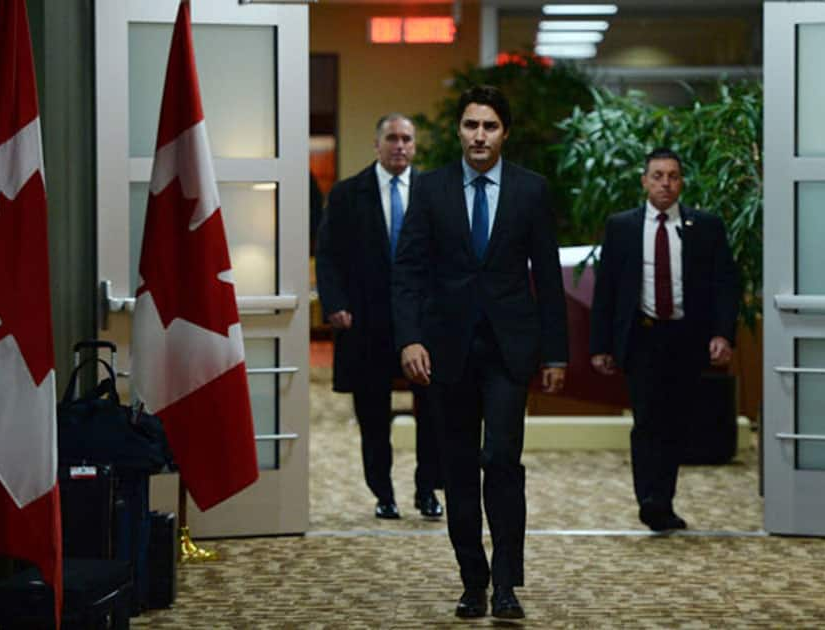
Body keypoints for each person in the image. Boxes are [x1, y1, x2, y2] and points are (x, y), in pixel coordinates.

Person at [392, 85, 568, 620]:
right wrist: (410, 337)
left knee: (502, 460)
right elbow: (408, 271)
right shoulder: (430, 189)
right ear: (459, 131)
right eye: (471, 125)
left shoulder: (531, 190)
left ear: (504, 133)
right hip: (446, 349)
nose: (479, 136)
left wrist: (556, 355)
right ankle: (474, 580)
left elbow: (549, 278)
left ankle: (508, 581)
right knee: (460, 466)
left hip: (509, 349)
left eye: (489, 127)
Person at [589, 147, 739, 532]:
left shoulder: (705, 226)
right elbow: (606, 290)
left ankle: (664, 500)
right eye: (657, 176)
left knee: (675, 422)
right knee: (646, 420)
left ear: (682, 182)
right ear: (644, 181)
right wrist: (600, 346)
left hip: (685, 338)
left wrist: (723, 334)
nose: (665, 184)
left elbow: (725, 285)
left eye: (672, 176)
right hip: (642, 336)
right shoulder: (622, 226)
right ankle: (649, 499)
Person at [315, 114, 443, 521]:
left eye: (407, 139)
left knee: (434, 412)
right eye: (392, 138)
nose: (400, 146)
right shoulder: (348, 193)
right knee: (373, 417)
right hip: (365, 322)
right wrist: (335, 304)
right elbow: (329, 255)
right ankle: (383, 493)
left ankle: (427, 491)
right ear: (377, 144)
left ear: (415, 146)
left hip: (423, 324)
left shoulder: (434, 192)